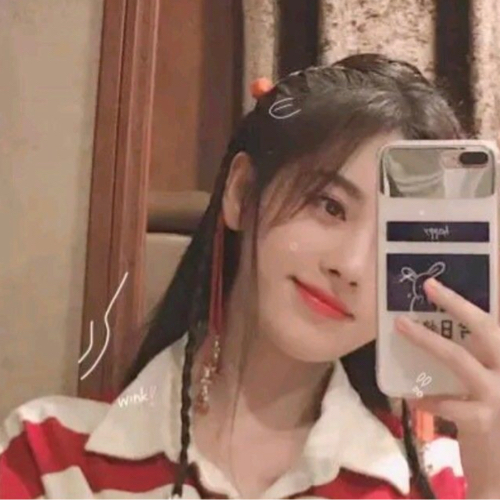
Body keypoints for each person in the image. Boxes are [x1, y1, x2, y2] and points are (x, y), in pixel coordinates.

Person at [1, 53, 500, 499]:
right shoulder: (48, 454)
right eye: (329, 205)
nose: (350, 266)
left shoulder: (442, 482)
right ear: (241, 193)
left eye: (391, 241)